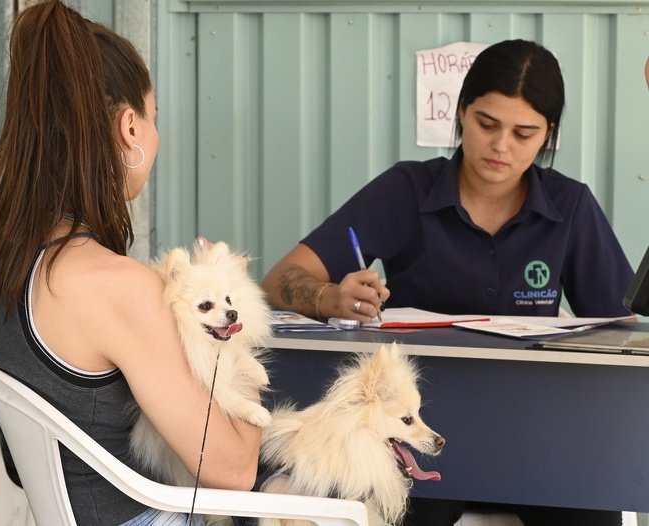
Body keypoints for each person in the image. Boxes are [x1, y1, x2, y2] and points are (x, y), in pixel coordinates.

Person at [261, 39, 632, 525]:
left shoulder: (572, 208)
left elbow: (622, 331)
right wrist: (331, 296)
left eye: (524, 133)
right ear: (461, 113)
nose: (501, 146)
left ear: (549, 134)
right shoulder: (406, 190)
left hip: (541, 433)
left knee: (592, 512)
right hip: (419, 431)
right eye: (486, 124)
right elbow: (278, 280)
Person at [0, 3, 262, 526]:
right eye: (154, 118)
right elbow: (234, 468)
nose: (154, 135)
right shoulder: (117, 285)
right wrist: (235, 323)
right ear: (130, 126)